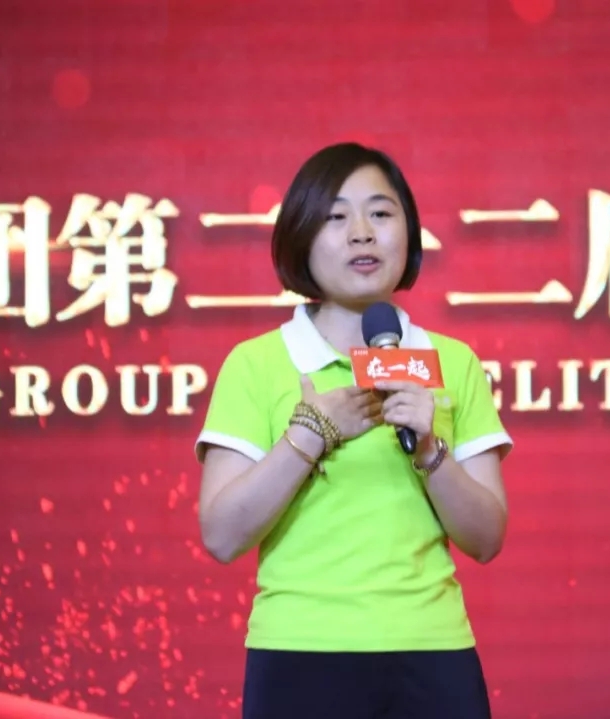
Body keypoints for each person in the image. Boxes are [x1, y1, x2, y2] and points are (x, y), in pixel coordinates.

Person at [194, 142, 513, 719]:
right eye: (336, 217)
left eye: (381, 213)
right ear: (301, 236)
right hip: (299, 651)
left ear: (408, 232)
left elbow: (487, 539)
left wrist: (430, 449)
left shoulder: (451, 361)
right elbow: (221, 535)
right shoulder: (256, 363)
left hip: (432, 651)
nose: (362, 233)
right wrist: (309, 434)